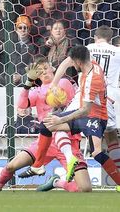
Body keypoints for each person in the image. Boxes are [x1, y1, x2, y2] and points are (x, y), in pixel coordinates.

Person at [0, 56, 92, 192]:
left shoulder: (64, 82)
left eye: (46, 69)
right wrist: (28, 82)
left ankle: (56, 182)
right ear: (37, 76)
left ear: (53, 68)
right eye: (40, 71)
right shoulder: (37, 92)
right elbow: (21, 105)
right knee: (11, 166)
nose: (44, 72)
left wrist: (58, 99)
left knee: (85, 188)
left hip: (68, 141)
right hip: (45, 142)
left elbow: (71, 101)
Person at [24, 46, 120, 191]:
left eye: (74, 63)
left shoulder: (92, 80)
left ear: (79, 62)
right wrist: (54, 85)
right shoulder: (91, 64)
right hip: (86, 114)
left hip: (95, 118)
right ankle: (38, 165)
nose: (73, 66)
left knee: (97, 153)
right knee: (46, 125)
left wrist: (61, 120)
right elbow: (64, 64)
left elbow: (85, 110)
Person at [87, 25, 120, 171]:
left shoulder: (88, 48)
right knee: (111, 135)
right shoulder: (117, 51)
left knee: (87, 133)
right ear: (111, 39)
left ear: (95, 36)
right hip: (107, 98)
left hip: (88, 96)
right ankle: (117, 172)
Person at [10, 15, 38, 86]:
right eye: (20, 27)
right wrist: (12, 75)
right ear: (16, 30)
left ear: (29, 30)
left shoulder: (33, 46)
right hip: (10, 76)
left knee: (27, 79)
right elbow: (5, 64)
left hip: (24, 76)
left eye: (25, 28)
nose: (22, 30)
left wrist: (20, 76)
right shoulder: (10, 46)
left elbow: (31, 65)